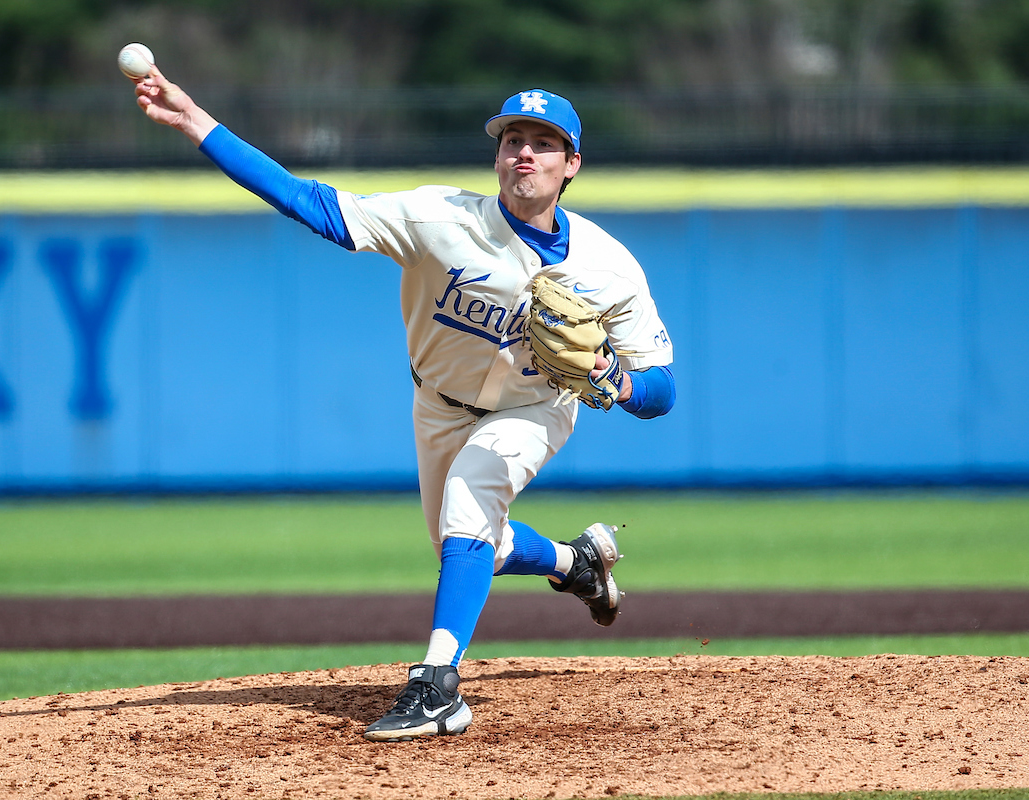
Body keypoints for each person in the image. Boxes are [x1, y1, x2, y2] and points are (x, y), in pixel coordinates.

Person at [132, 71, 676, 742]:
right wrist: (195, 121)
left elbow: (662, 391)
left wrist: (619, 382)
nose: (525, 153)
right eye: (513, 140)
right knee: (469, 542)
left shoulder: (610, 268)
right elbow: (309, 202)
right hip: (439, 405)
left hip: (534, 408)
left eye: (543, 143)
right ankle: (577, 564)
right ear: (497, 157)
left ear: (572, 165)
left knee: (471, 499)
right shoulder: (439, 219)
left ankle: (437, 684)